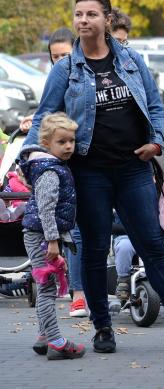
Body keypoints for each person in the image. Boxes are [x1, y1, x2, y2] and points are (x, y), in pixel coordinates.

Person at [24, 0, 164, 353]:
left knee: (153, 246)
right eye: (78, 14)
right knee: (96, 250)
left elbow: (155, 107)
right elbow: (44, 117)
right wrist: (29, 159)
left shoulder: (130, 60)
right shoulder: (66, 69)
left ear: (107, 19)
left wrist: (157, 143)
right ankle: (102, 328)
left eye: (91, 14)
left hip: (133, 170)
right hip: (89, 173)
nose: (83, 21)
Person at [19, 28, 88, 319]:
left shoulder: (84, 77)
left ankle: (78, 293)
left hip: (76, 162)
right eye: (55, 56)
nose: (61, 61)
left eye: (65, 55)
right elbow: (46, 113)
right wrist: (29, 149)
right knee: (66, 234)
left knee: (77, 231)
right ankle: (71, 303)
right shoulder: (56, 79)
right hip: (55, 166)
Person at [19, 112, 85, 359]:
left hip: (42, 234)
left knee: (46, 285)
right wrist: (53, 241)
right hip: (42, 236)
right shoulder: (49, 170)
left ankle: (44, 335)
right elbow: (46, 209)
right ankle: (57, 341)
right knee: (47, 289)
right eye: (62, 142)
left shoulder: (52, 165)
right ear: (47, 144)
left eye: (71, 141)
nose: (69, 146)